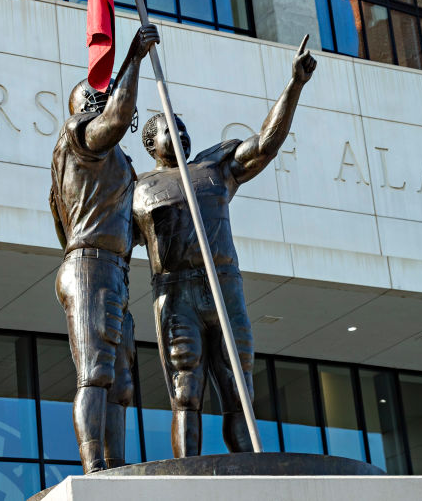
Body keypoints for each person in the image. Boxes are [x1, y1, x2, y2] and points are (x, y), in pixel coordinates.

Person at [132, 40, 316, 457]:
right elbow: (112, 246)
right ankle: (188, 481)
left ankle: (249, 473)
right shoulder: (139, 189)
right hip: (175, 292)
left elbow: (265, 145)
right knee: (186, 388)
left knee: (238, 387)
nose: (178, 132)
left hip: (223, 283)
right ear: (151, 144)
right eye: (167, 128)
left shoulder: (213, 166)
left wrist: (294, 85)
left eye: (181, 126)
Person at [49, 24, 159, 473]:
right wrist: (132, 58)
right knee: (95, 373)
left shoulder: (120, 165)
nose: (102, 103)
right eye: (93, 99)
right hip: (90, 264)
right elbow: (114, 120)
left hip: (112, 269)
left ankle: (114, 469)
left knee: (121, 385)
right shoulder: (78, 138)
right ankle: (95, 470)